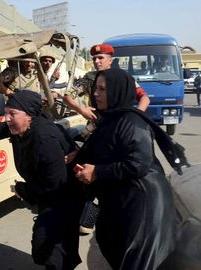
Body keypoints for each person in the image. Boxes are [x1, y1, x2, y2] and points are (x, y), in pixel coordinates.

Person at [74, 68, 186, 270]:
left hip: (143, 204)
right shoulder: (109, 119)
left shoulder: (131, 122)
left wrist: (98, 171)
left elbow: (139, 163)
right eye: (95, 88)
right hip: (122, 199)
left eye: (102, 89)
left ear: (117, 91)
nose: (96, 94)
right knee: (113, 248)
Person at [0, 90, 85, 270]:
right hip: (49, 194)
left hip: (63, 196)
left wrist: (24, 190)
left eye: (12, 114)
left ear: (30, 116)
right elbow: (4, 128)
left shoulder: (44, 139)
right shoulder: (20, 126)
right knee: (47, 247)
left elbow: (54, 183)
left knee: (52, 246)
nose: (7, 118)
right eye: (6, 113)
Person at [63, 44, 150, 122]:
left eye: (100, 58)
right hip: (97, 124)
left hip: (120, 122)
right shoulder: (89, 78)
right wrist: (82, 110)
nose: (96, 61)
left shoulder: (121, 77)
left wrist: (137, 116)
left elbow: (144, 97)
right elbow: (67, 97)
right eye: (94, 59)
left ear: (110, 60)